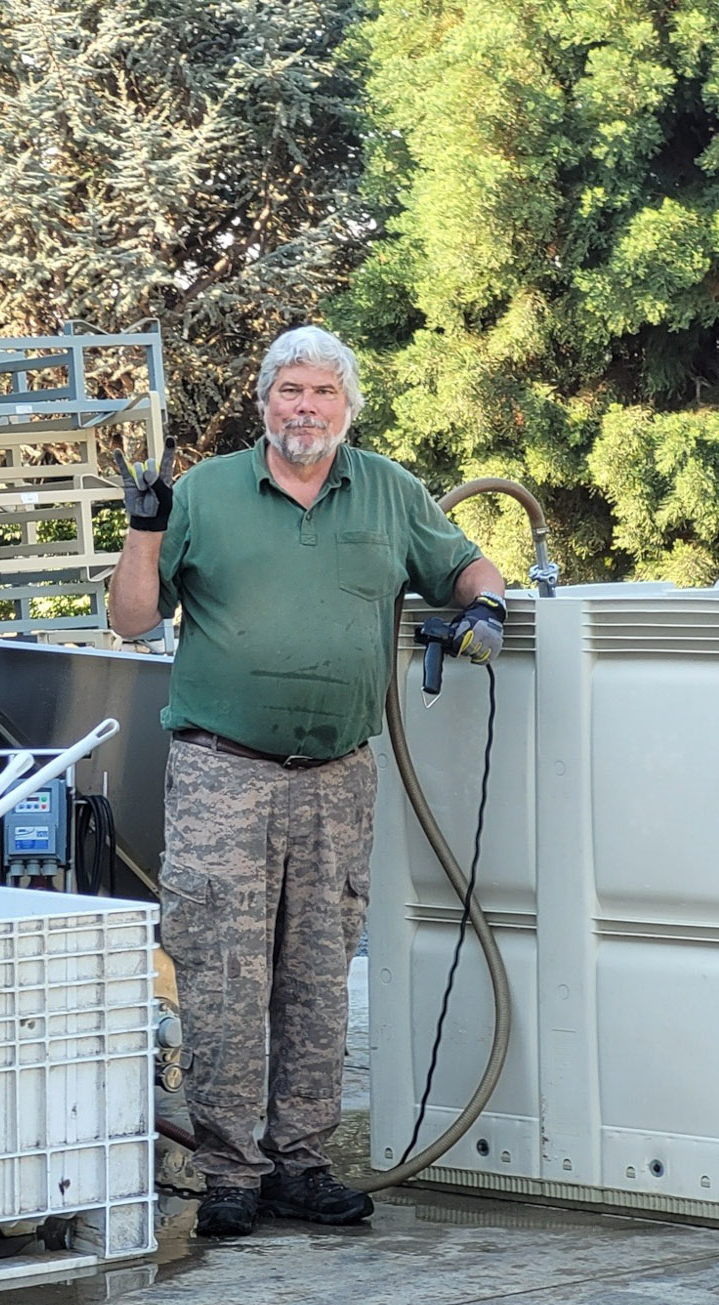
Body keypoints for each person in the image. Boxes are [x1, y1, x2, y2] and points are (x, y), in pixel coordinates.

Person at [108, 326, 507, 1239]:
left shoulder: (389, 492)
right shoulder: (205, 493)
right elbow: (132, 621)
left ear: (347, 406)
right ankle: (227, 1172)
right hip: (223, 773)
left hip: (338, 776)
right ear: (263, 402)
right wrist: (143, 525)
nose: (306, 408)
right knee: (221, 973)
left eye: (324, 392)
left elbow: (462, 563)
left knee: (320, 975)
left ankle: (301, 1165)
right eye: (290, 390)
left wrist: (486, 605)